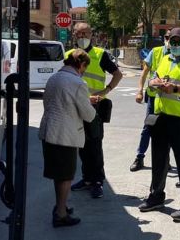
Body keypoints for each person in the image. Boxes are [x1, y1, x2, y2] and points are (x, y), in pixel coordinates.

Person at [138, 28, 180, 222]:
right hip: (161, 116)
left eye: (178, 41)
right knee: (159, 160)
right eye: (172, 41)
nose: (174, 45)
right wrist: (154, 83)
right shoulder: (165, 59)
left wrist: (175, 88)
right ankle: (156, 196)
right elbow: (152, 79)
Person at [39, 49, 96, 227]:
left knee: (59, 174)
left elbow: (51, 101)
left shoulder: (54, 78)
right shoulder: (78, 83)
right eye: (85, 67)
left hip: (49, 130)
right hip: (65, 135)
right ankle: (61, 214)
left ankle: (60, 206)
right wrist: (90, 104)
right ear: (81, 64)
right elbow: (88, 115)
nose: (84, 70)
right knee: (66, 176)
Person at [68, 22, 123, 198]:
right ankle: (86, 178)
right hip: (76, 106)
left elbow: (118, 74)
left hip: (95, 106)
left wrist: (106, 90)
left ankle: (97, 180)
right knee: (81, 145)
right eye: (79, 34)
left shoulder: (100, 55)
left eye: (85, 33)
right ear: (74, 35)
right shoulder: (69, 55)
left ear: (92, 34)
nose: (82, 37)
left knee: (95, 145)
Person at [130, 29, 171, 171]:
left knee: (169, 130)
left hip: (172, 100)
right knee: (148, 127)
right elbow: (144, 73)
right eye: (167, 36)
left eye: (172, 37)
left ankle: (166, 160)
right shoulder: (156, 52)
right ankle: (139, 157)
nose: (169, 40)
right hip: (154, 98)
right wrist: (139, 91)